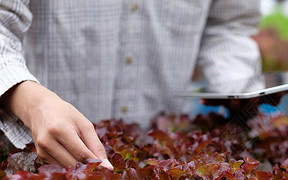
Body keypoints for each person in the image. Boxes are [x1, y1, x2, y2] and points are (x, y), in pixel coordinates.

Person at [0, 1, 263, 169]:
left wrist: (236, 84)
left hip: (163, 162)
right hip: (33, 158)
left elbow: (227, 24)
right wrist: (34, 104)